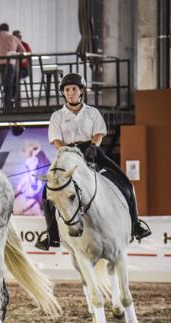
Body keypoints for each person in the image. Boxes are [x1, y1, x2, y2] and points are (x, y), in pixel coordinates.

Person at [35, 73, 152, 250]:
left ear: (81, 91)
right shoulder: (57, 116)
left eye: (74, 89)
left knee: (126, 183)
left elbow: (98, 133)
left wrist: (93, 146)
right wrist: (65, 151)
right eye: (67, 90)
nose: (71, 92)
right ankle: (51, 234)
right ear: (64, 93)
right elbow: (56, 140)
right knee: (46, 192)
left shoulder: (92, 112)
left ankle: (135, 224)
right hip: (67, 154)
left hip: (92, 151)